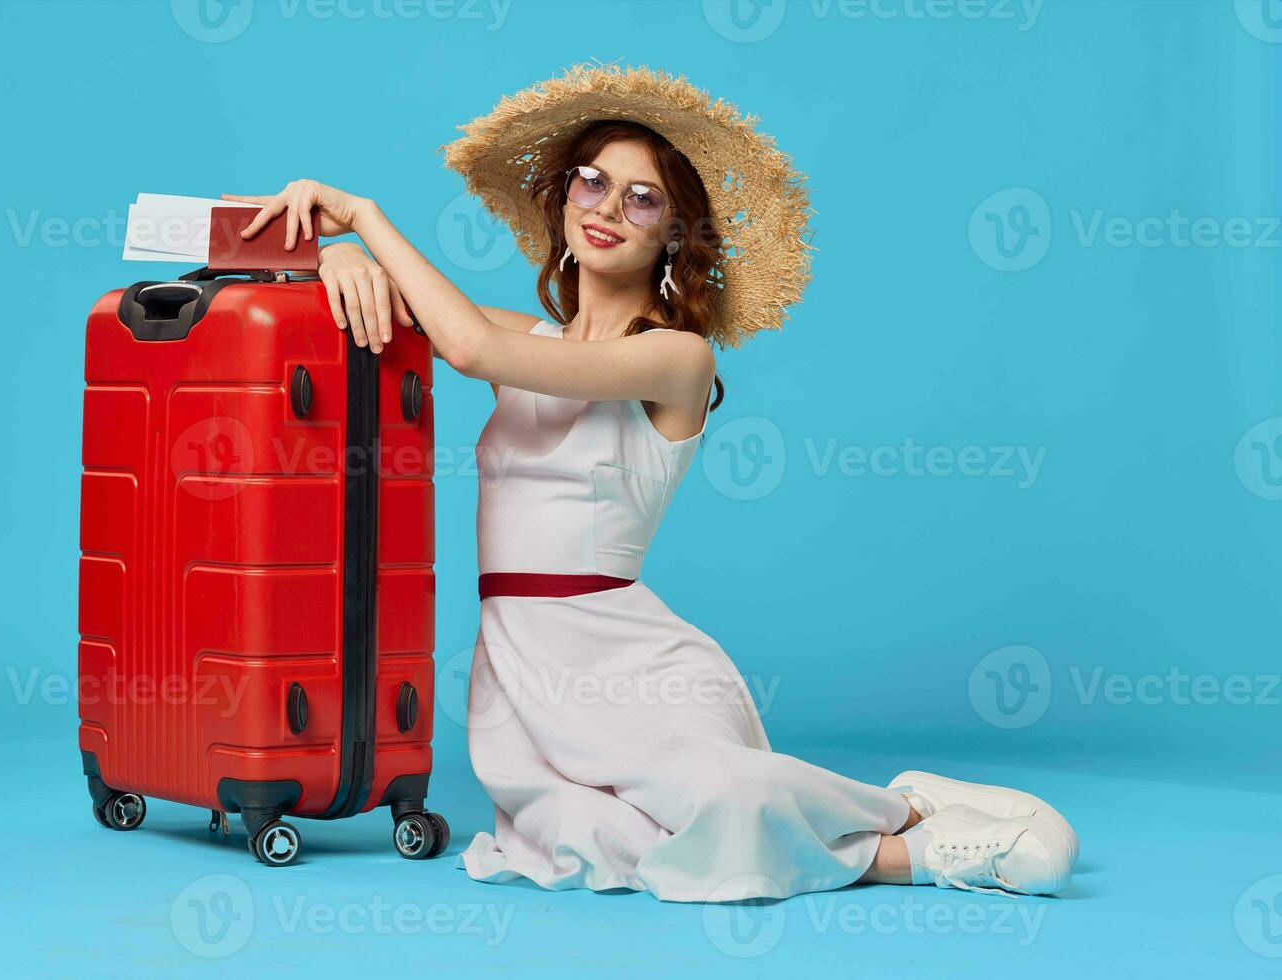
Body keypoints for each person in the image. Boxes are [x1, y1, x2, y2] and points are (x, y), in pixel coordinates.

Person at [224, 64, 1078, 903]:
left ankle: (923, 837)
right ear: (562, 198)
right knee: (590, 844)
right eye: (592, 183)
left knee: (721, 802)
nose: (606, 209)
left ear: (673, 233)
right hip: (523, 668)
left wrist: (365, 220)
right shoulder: (535, 339)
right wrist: (338, 264)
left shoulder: (675, 357)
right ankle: (906, 816)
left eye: (643, 198)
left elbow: (468, 348)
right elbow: (423, 314)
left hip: (631, 660)